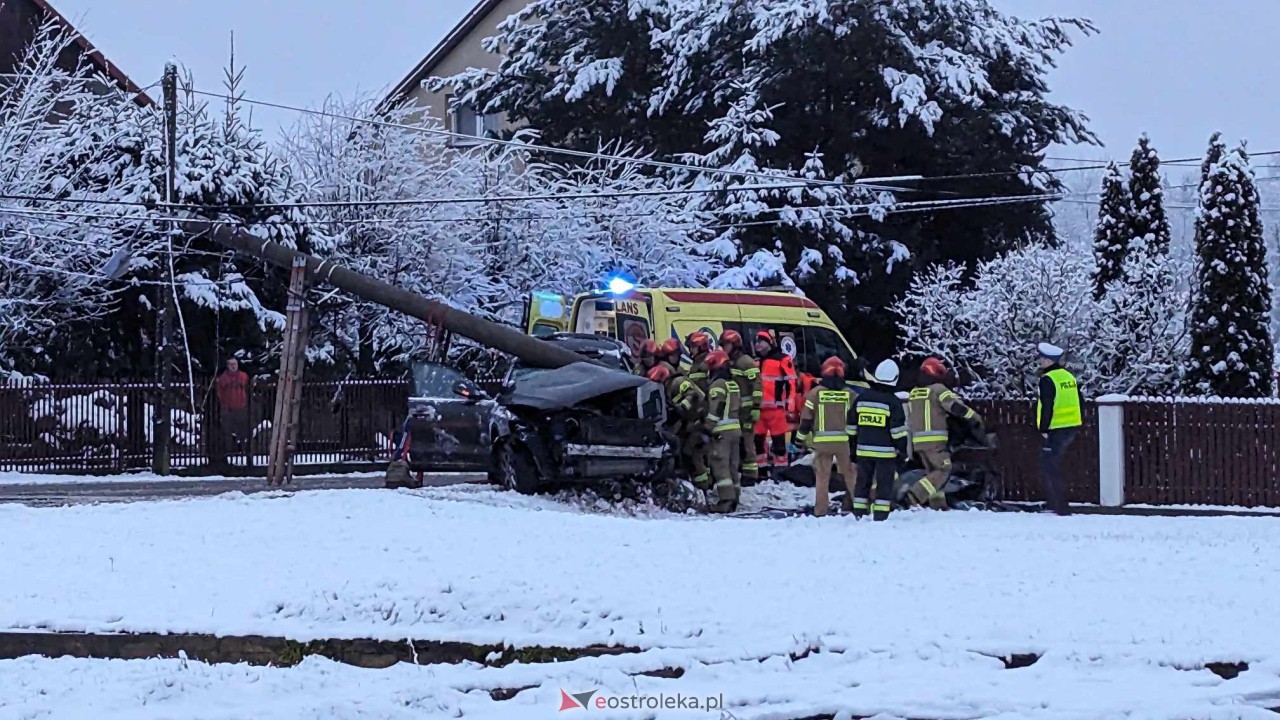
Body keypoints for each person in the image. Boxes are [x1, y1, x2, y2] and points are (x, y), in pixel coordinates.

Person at [906, 357, 983, 510]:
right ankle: (913, 496)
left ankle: (938, 505)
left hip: (918, 441)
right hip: (935, 441)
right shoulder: (938, 389)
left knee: (933, 473)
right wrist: (975, 418)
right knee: (944, 470)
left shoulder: (914, 393)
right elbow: (955, 407)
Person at [793, 356, 857, 517]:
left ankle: (821, 510)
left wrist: (799, 439)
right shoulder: (851, 394)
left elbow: (806, 421)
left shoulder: (814, 394)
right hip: (845, 443)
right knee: (851, 475)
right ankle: (860, 507)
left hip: (822, 444)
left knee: (822, 478)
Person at [852, 359, 909, 521]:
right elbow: (897, 431)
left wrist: (853, 447)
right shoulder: (893, 402)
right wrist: (903, 451)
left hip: (863, 450)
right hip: (885, 454)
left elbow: (851, 426)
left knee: (862, 482)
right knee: (884, 485)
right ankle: (881, 515)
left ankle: (859, 514)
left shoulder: (861, 398)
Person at [1035, 342, 1082, 516]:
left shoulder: (1048, 379)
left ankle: (1059, 506)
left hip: (1056, 428)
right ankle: (1058, 503)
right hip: (1071, 426)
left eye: (1042, 359)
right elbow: (1079, 400)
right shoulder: (1068, 377)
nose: (1040, 361)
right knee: (1056, 464)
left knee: (1050, 466)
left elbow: (1048, 405)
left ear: (1048, 361)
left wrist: (1043, 428)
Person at [648, 364, 708, 485]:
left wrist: (682, 407)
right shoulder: (666, 388)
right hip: (691, 420)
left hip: (702, 419)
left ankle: (703, 485)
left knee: (689, 451)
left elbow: (693, 395)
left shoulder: (678, 382)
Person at [753, 329, 797, 481]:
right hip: (759, 409)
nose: (758, 345)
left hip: (776, 409)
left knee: (779, 443)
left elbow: (791, 382)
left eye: (761, 342)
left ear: (769, 343)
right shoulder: (756, 362)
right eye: (757, 342)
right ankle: (762, 471)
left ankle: (781, 471)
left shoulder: (782, 359)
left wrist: (790, 406)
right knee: (758, 442)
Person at [719, 330, 761, 485]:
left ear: (735, 345)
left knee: (748, 442)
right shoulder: (730, 361)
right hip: (736, 410)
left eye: (726, 345)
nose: (724, 348)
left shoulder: (745, 362)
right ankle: (741, 472)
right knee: (739, 443)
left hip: (747, 410)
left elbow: (756, 384)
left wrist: (756, 406)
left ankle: (751, 476)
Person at [702, 350, 742, 513]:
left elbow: (715, 408)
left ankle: (726, 501)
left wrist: (707, 428)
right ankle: (735, 498)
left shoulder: (718, 385)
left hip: (721, 432)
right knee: (733, 466)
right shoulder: (733, 384)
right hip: (735, 430)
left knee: (721, 466)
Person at [214, 358, 250, 467]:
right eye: (231, 364)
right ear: (227, 366)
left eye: (235, 364)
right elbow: (219, 391)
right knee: (227, 433)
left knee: (243, 433)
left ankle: (246, 456)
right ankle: (227, 456)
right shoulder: (223, 378)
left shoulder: (243, 376)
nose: (233, 366)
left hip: (241, 407)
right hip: (228, 409)